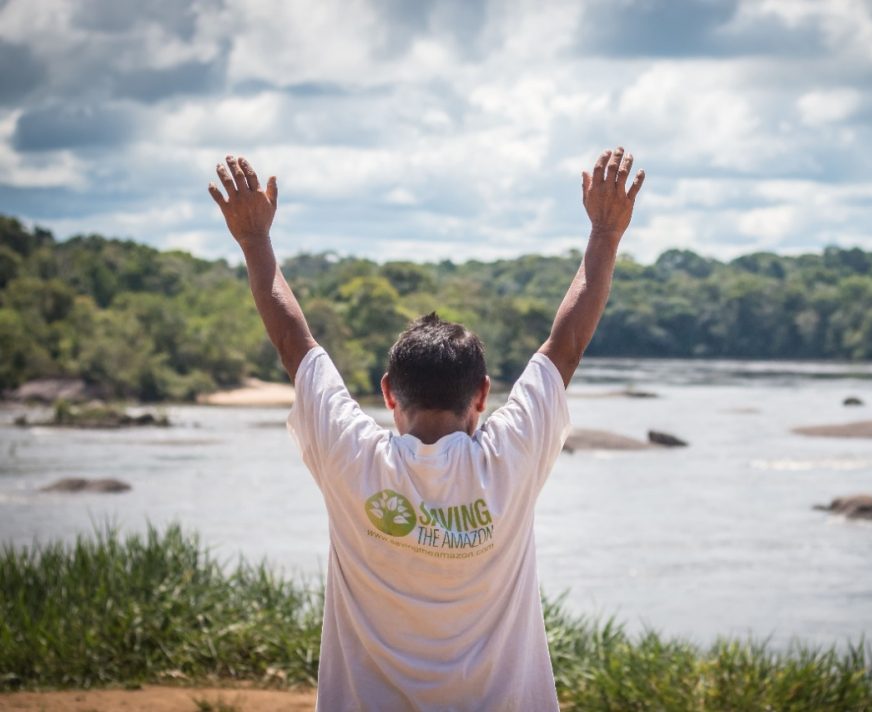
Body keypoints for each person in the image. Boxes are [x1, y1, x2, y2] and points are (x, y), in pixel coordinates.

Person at [209, 147, 645, 711]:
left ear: (389, 393)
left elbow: (295, 342)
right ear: (482, 395)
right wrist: (605, 233)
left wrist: (254, 239)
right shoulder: (510, 456)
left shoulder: (351, 454)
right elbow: (567, 345)